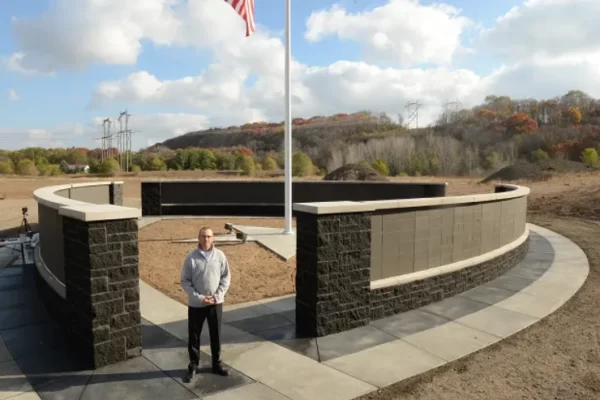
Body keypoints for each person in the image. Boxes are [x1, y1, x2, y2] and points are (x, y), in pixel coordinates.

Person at [180, 227, 231, 382]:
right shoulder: (191, 258)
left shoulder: (220, 256)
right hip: (197, 304)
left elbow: (226, 278)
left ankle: (217, 364)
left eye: (209, 236)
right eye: (203, 236)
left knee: (216, 335)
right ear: (198, 238)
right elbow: (185, 281)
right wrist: (199, 297)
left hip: (215, 304)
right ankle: (193, 365)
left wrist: (217, 296)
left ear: (213, 238)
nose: (206, 239)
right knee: (194, 336)